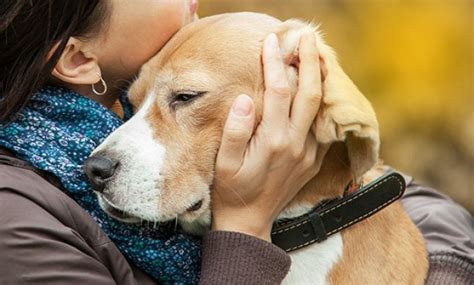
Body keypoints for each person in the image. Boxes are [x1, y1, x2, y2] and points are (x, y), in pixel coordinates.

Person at [0, 1, 471, 284]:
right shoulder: (16, 219)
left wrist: (444, 269)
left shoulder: (127, 99)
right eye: (183, 97)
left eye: (183, 97)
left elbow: (402, 193)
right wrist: (245, 224)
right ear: (79, 57)